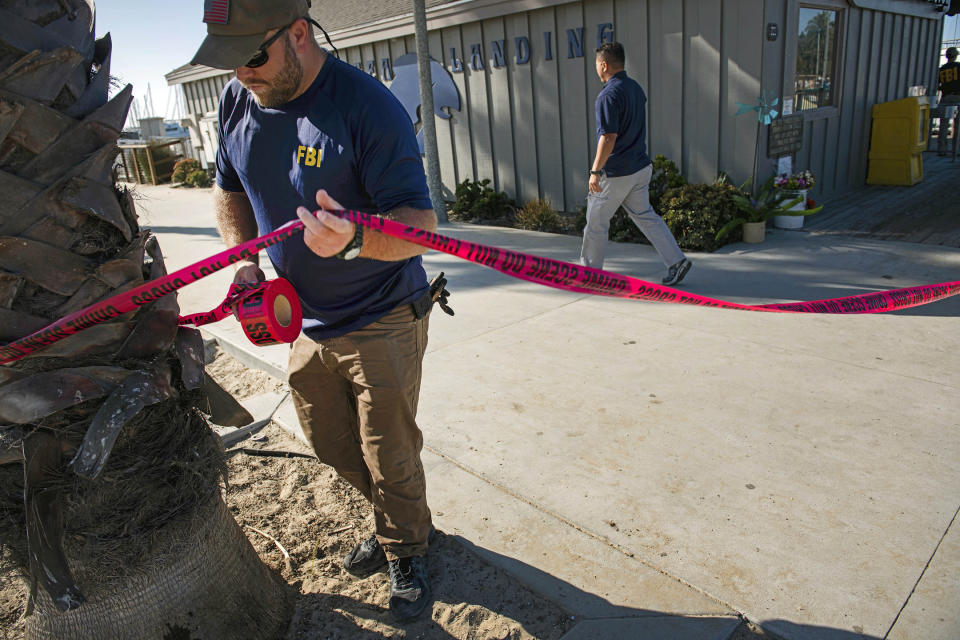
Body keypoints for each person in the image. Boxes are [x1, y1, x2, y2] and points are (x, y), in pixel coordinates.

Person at [191, 0, 437, 622]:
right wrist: (241, 258)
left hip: (382, 312)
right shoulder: (237, 99)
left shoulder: (365, 107)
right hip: (304, 317)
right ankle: (391, 520)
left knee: (390, 449)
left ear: (298, 33)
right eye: (227, 61)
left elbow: (421, 225)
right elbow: (227, 188)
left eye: (251, 56)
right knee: (328, 442)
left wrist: (355, 239)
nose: (240, 74)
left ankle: (407, 547)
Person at [580, 42, 691, 286]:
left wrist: (595, 172)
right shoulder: (635, 88)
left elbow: (608, 137)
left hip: (618, 172)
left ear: (604, 64)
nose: (596, 69)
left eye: (596, 65)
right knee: (646, 216)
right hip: (640, 168)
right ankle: (676, 260)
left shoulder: (608, 95)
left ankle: (590, 275)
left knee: (596, 223)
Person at [937, 47, 960, 155]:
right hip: (957, 97)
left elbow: (938, 85)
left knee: (943, 125)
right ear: (956, 55)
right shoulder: (958, 66)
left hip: (945, 98)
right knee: (958, 126)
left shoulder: (941, 69)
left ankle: (942, 149)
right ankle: (957, 150)